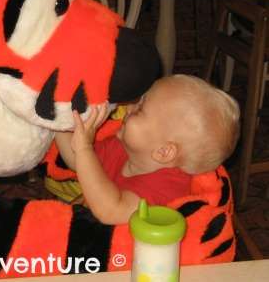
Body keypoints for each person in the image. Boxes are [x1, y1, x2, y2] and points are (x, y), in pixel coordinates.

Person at [55, 74, 240, 225]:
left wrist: (84, 148)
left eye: (140, 109)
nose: (130, 106)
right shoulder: (124, 148)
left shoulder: (166, 189)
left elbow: (111, 211)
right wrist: (55, 120)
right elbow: (77, 160)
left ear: (163, 152)